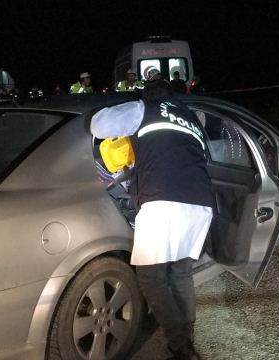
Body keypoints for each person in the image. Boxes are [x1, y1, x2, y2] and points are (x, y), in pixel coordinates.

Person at [90, 79, 213, 360]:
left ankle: (179, 343)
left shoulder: (142, 109)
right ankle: (188, 341)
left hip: (162, 201)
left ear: (146, 96)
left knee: (152, 278)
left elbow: (97, 125)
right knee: (181, 274)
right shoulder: (191, 116)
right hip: (201, 203)